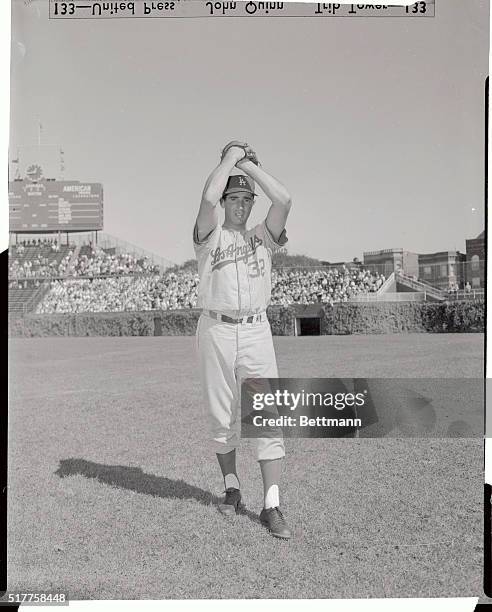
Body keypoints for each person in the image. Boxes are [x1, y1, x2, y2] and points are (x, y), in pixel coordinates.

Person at [193, 141, 292, 539]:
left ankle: (271, 504)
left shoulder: (264, 236)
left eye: (245, 198)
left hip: (255, 329)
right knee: (221, 414)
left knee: (267, 412)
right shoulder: (209, 235)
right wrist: (230, 158)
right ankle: (232, 488)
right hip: (215, 328)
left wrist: (248, 167)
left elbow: (284, 198)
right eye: (233, 197)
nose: (239, 204)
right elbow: (207, 195)